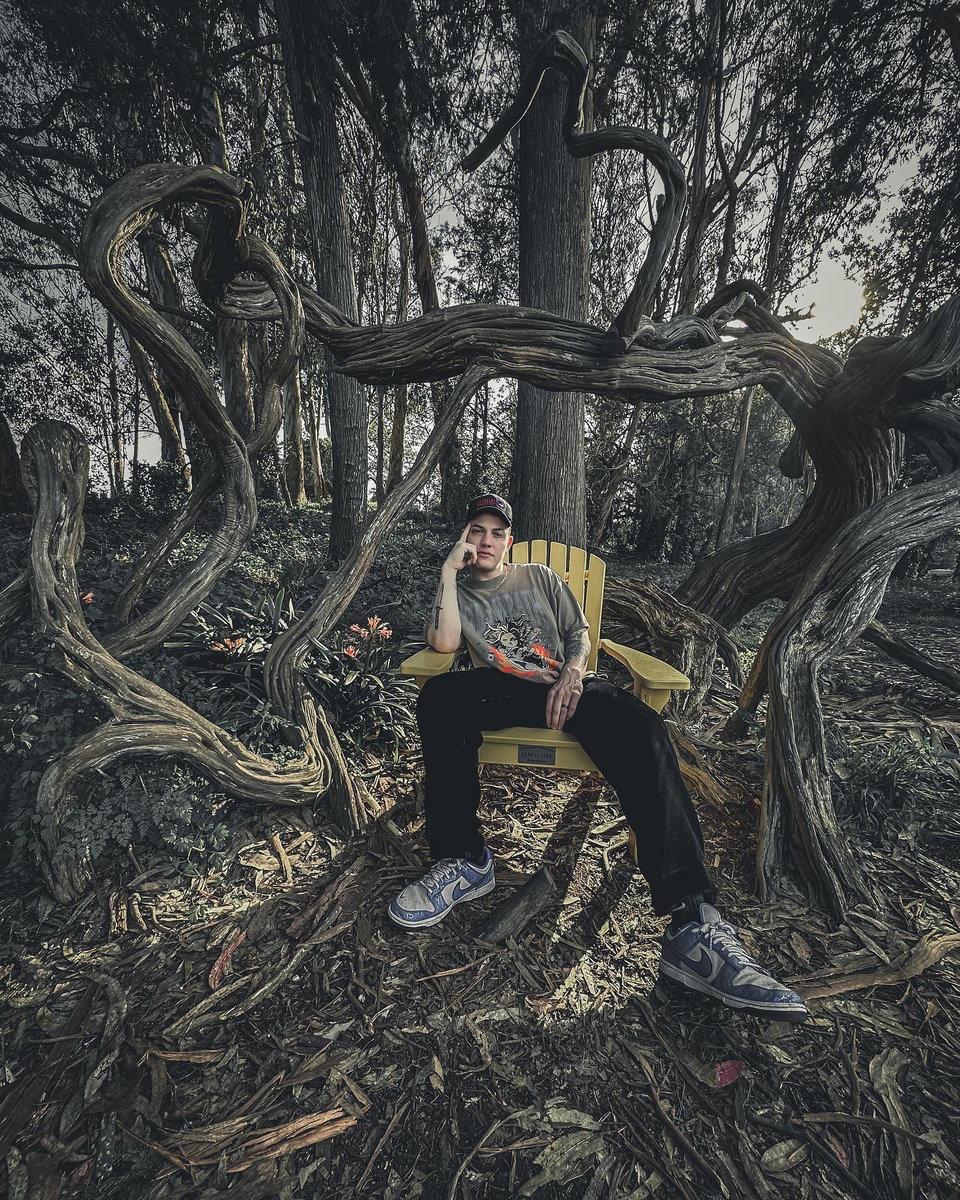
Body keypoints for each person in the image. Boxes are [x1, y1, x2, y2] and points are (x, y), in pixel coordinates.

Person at [389, 494, 807, 1022]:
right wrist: (449, 572)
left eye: (496, 532)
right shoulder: (458, 589)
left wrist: (571, 675)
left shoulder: (539, 577)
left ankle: (693, 921)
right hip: (501, 689)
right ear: (464, 537)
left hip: (566, 685)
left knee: (642, 725)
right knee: (439, 698)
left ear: (509, 542)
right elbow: (445, 643)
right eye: (477, 530)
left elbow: (578, 635)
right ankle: (464, 861)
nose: (486, 540)